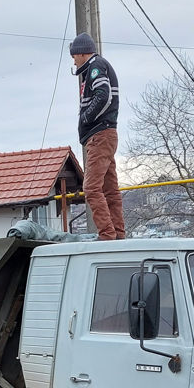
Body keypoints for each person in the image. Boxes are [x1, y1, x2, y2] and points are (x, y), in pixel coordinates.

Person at [70, 32, 124, 240]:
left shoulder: (95, 67)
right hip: (106, 135)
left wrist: (86, 118)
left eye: (74, 55)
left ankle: (107, 234)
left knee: (91, 188)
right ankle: (118, 234)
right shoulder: (97, 66)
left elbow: (103, 94)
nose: (73, 60)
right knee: (110, 189)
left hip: (100, 134)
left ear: (82, 52)